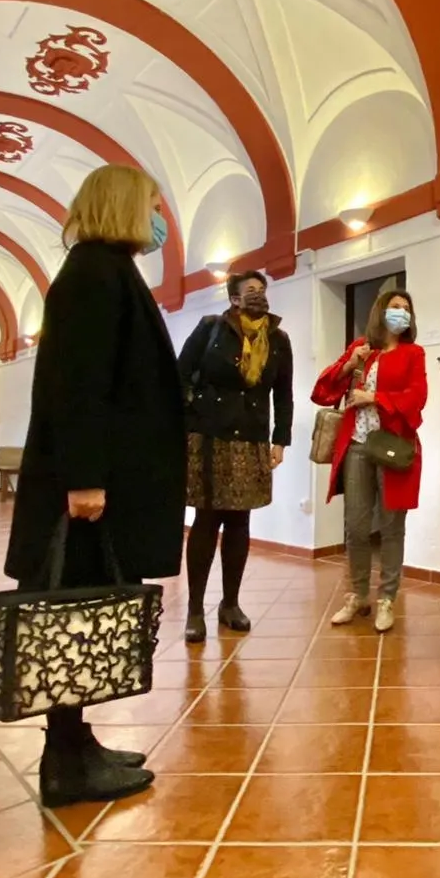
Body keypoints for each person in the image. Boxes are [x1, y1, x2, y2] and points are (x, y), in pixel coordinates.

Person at [3, 164, 187, 808]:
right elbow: (76, 386)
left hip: (106, 482)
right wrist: (84, 479)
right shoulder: (91, 274)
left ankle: (78, 742)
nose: (162, 218)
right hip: (86, 492)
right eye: (155, 205)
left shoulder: (107, 271)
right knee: (73, 615)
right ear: (126, 206)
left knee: (83, 610)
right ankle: (64, 764)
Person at [177, 271, 293, 643]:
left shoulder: (278, 339)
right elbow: (179, 375)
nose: (259, 297)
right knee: (207, 519)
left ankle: (230, 603)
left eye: (263, 291)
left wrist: (281, 439)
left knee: (240, 522)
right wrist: (189, 416)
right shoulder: (211, 328)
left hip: (252, 438)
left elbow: (284, 393)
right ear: (234, 299)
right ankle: (196, 609)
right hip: (210, 436)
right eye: (252, 291)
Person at [312, 290, 427, 634]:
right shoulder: (362, 348)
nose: (401, 313)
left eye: (406, 309)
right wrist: (349, 364)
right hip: (358, 446)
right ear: (381, 311)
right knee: (357, 527)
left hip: (393, 447)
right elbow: (322, 391)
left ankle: (387, 598)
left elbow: (417, 397)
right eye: (395, 307)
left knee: (392, 528)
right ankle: (357, 595)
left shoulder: (413, 353)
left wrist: (374, 398)